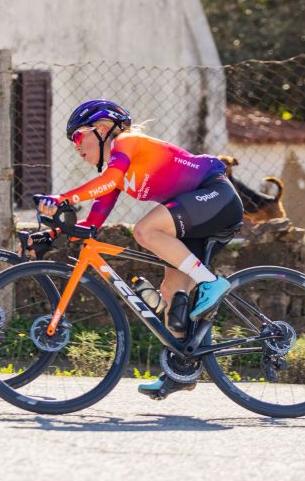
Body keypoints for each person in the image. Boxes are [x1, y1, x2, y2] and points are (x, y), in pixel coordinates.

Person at [36, 99, 244, 398]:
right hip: (195, 220)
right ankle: (181, 372)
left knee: (145, 230)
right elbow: (92, 223)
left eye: (78, 137)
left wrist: (64, 198)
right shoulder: (116, 174)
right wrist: (51, 232)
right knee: (172, 295)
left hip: (214, 196)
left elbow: (109, 180)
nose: (77, 147)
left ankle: (211, 282)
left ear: (102, 129)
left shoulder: (127, 141)